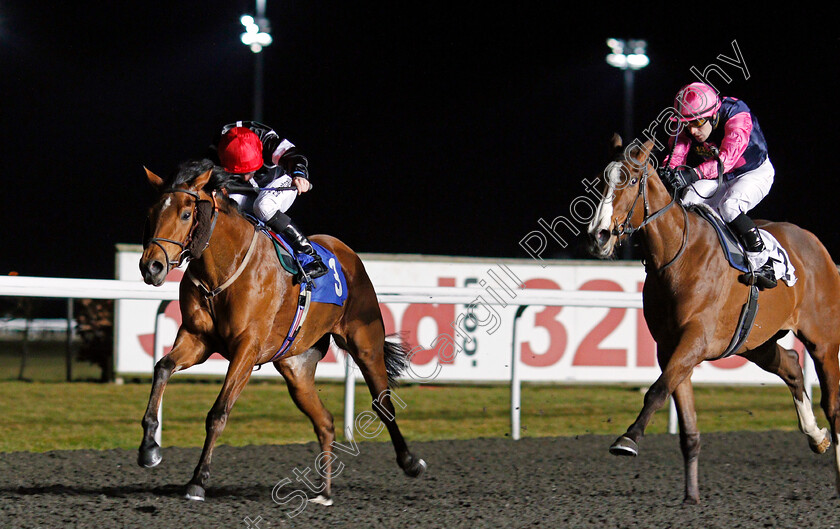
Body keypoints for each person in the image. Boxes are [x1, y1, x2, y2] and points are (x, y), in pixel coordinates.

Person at [661, 82, 777, 289]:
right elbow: (676, 154)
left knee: (730, 206)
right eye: (686, 124)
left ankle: (764, 262)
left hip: (754, 173)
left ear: (714, 115)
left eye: (697, 122)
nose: (692, 130)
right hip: (723, 177)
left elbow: (727, 161)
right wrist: (670, 173)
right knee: (688, 199)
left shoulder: (737, 115)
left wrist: (693, 174)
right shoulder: (689, 122)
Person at [210, 120, 328, 278]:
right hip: (248, 192)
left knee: (263, 206)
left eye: (249, 170)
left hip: (279, 180)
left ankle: (310, 256)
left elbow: (296, 157)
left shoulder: (267, 142)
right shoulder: (215, 150)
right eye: (239, 172)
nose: (245, 177)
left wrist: (299, 175)